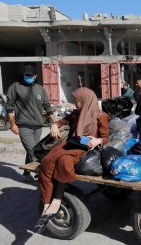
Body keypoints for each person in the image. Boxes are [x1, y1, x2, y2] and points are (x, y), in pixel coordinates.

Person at [34, 87, 108, 233]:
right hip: (71, 143)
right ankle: (46, 204)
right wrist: (54, 125)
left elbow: (106, 138)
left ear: (85, 101)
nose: (75, 104)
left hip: (85, 149)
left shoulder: (101, 116)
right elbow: (61, 121)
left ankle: (56, 200)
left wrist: (97, 140)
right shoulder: (76, 113)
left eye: (77, 101)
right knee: (47, 162)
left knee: (63, 161)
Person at [5, 64, 56, 182]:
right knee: (34, 151)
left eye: (30, 75)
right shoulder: (16, 87)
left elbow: (47, 107)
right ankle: (45, 177)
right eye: (26, 75)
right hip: (23, 125)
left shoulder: (40, 89)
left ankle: (26, 173)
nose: (27, 77)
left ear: (35, 76)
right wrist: (13, 124)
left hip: (38, 126)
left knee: (32, 150)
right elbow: (9, 106)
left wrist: (55, 122)